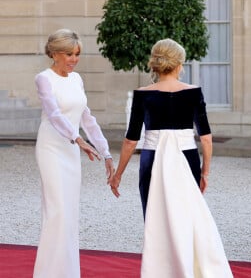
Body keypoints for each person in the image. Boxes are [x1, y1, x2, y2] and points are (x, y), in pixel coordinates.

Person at [108, 39, 233, 277]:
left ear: (154, 64)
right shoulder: (193, 93)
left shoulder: (142, 95)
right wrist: (205, 171)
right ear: (179, 64)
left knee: (156, 216)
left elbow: (130, 141)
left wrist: (118, 174)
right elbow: (206, 138)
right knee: (187, 215)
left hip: (152, 159)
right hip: (187, 158)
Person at [33, 28, 114, 278]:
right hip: (52, 147)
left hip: (71, 151)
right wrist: (77, 139)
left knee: (69, 211)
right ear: (55, 53)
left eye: (77, 54)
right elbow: (55, 114)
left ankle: (67, 272)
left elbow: (87, 118)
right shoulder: (43, 78)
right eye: (69, 54)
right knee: (56, 210)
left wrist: (106, 152)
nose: (74, 59)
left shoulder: (77, 79)